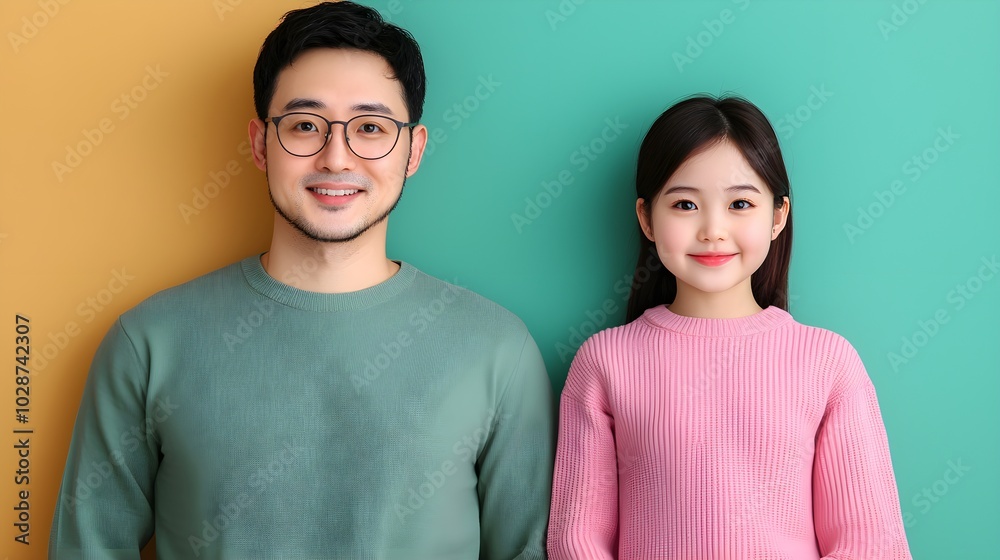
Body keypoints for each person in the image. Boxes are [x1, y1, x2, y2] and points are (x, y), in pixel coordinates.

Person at [49, 3, 554, 559]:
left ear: (414, 150)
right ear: (261, 144)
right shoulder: (148, 342)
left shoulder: (498, 350)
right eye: (305, 125)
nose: (336, 158)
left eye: (370, 128)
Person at [546, 96, 912, 559]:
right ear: (647, 219)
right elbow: (577, 539)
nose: (713, 230)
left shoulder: (827, 362)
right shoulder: (604, 362)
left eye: (740, 203)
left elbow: (869, 542)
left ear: (778, 216)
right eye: (684, 204)